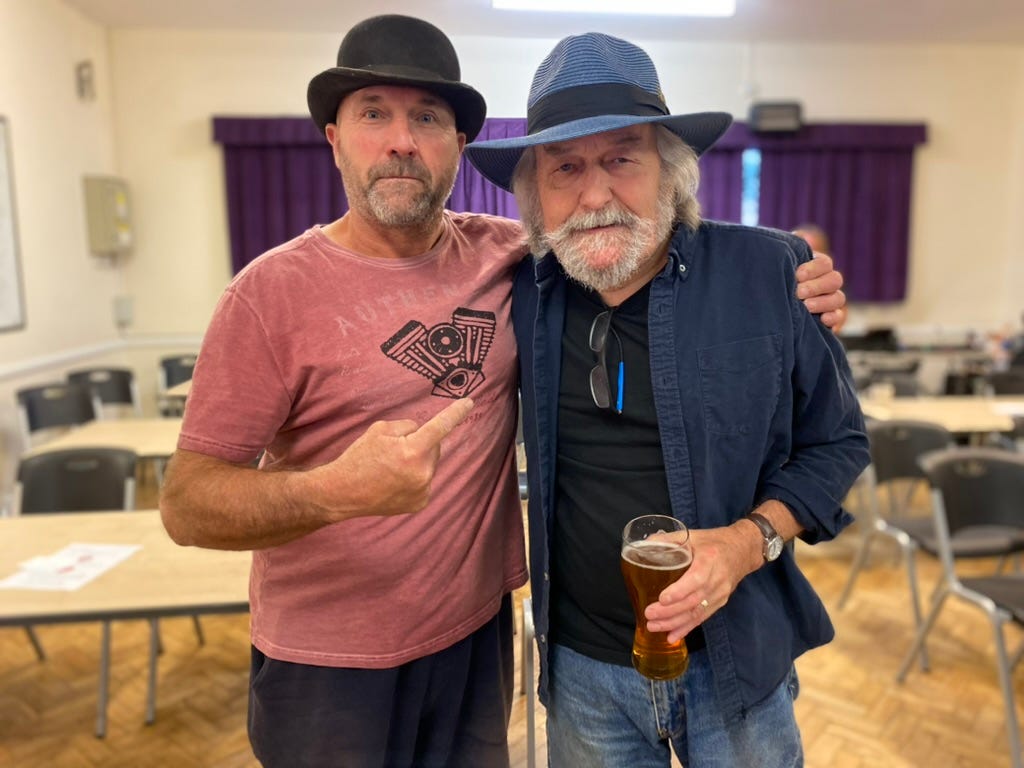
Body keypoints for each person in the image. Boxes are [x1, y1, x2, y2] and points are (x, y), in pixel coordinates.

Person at [159, 15, 848, 767]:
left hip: (494, 648)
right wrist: (332, 491)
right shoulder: (277, 294)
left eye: (427, 117)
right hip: (344, 668)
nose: (593, 196)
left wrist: (793, 281)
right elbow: (186, 503)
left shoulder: (530, 263)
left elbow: (831, 437)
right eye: (373, 115)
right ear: (332, 136)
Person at [465, 32, 870, 768]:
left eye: (623, 158)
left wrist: (748, 542)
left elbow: (840, 443)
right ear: (534, 192)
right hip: (582, 671)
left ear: (670, 171)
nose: (595, 194)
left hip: (737, 664)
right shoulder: (518, 288)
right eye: (566, 168)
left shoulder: (770, 272)